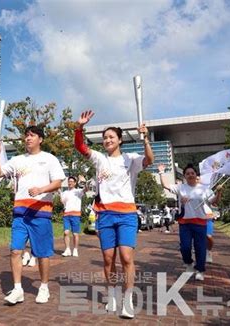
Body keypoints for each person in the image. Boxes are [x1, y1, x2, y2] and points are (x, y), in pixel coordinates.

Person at [74, 110, 154, 318]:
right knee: (108, 259)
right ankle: (112, 294)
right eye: (105, 138)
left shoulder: (131, 159)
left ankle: (127, 300)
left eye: (111, 137)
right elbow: (81, 147)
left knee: (126, 257)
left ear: (119, 140)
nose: (107, 140)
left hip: (127, 214)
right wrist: (79, 128)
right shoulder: (100, 159)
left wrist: (145, 138)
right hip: (106, 215)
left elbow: (149, 160)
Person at [0, 126, 65, 305]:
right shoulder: (17, 160)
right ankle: (18, 289)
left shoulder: (49, 159)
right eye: (26, 136)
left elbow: (57, 182)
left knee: (42, 254)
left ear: (40, 139)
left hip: (41, 213)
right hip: (20, 213)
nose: (28, 138)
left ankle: (44, 287)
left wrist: (41, 189)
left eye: (32, 135)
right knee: (15, 250)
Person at [158, 163, 222, 281]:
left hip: (200, 222)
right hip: (185, 223)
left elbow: (214, 202)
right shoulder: (181, 187)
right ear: (184, 176)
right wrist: (161, 172)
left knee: (200, 248)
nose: (190, 175)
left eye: (192, 173)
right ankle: (188, 264)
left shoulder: (204, 189)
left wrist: (219, 193)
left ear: (195, 174)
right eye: (188, 173)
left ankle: (200, 270)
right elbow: (165, 185)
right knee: (185, 247)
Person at [60, 176, 87, 257]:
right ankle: (67, 249)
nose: (70, 183)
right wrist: (59, 193)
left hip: (75, 215)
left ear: (75, 183)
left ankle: (75, 249)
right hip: (66, 215)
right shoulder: (65, 192)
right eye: (69, 181)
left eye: (72, 181)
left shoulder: (78, 191)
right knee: (66, 232)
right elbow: (63, 202)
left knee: (75, 234)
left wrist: (84, 182)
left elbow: (86, 189)